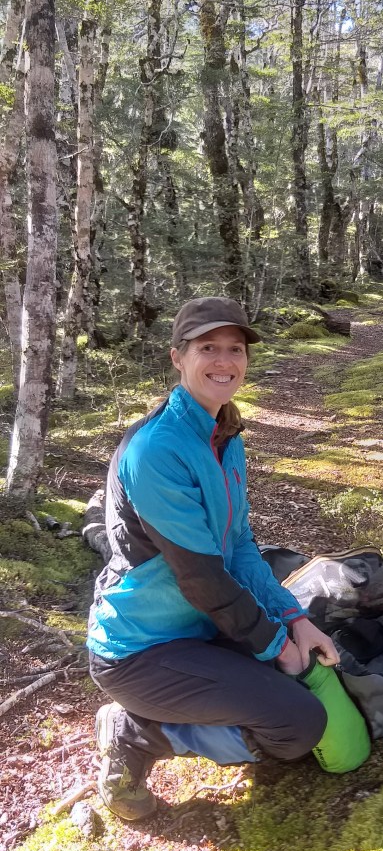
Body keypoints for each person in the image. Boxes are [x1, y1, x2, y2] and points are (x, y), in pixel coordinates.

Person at [87, 296, 339, 820]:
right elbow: (202, 577)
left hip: (202, 625)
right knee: (298, 725)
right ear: (178, 357)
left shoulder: (223, 433)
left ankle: (213, 693)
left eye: (235, 349)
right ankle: (137, 732)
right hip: (141, 651)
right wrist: (275, 646)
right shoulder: (157, 449)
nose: (225, 361)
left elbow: (240, 546)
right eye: (208, 348)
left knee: (312, 661)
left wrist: (294, 619)